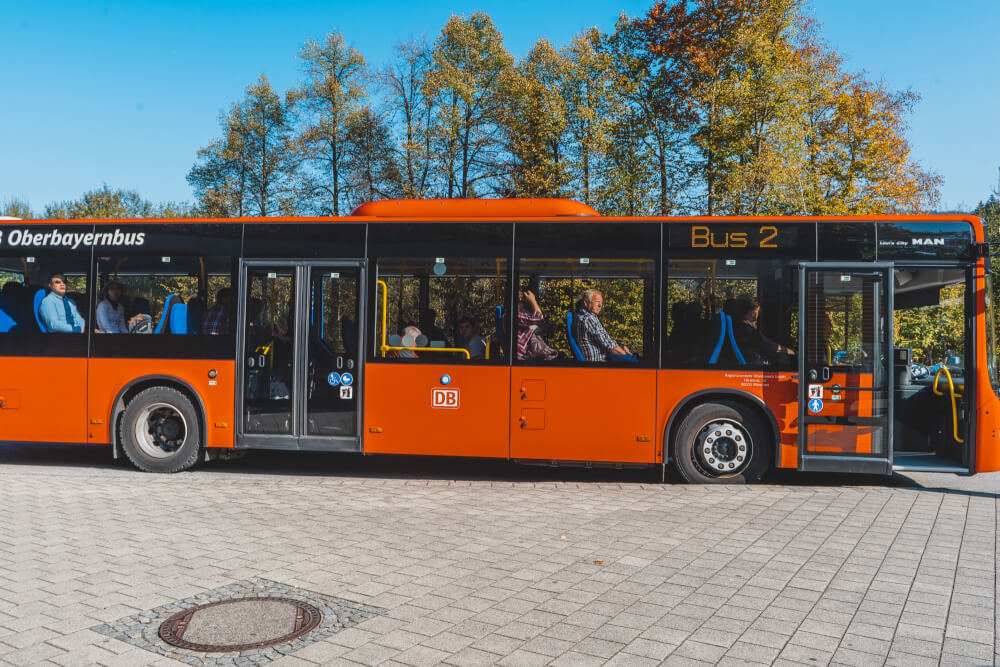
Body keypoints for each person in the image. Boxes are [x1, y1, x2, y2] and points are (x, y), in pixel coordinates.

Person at [728, 297, 794, 365]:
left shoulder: (736, 326)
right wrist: (791, 352)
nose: (758, 314)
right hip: (753, 366)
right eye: (757, 311)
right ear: (752, 312)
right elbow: (769, 346)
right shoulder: (746, 330)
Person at [573, 289, 631, 362]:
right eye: (597, 302)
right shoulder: (588, 319)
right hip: (598, 364)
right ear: (586, 302)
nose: (600, 305)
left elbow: (605, 340)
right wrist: (627, 357)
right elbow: (609, 345)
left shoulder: (583, 316)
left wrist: (621, 347)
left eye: (601, 302)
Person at [517, 289, 556, 360]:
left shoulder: (515, 317)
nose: (523, 306)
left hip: (526, 356)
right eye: (522, 303)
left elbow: (539, 322)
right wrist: (532, 300)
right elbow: (539, 317)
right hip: (524, 359)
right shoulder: (513, 316)